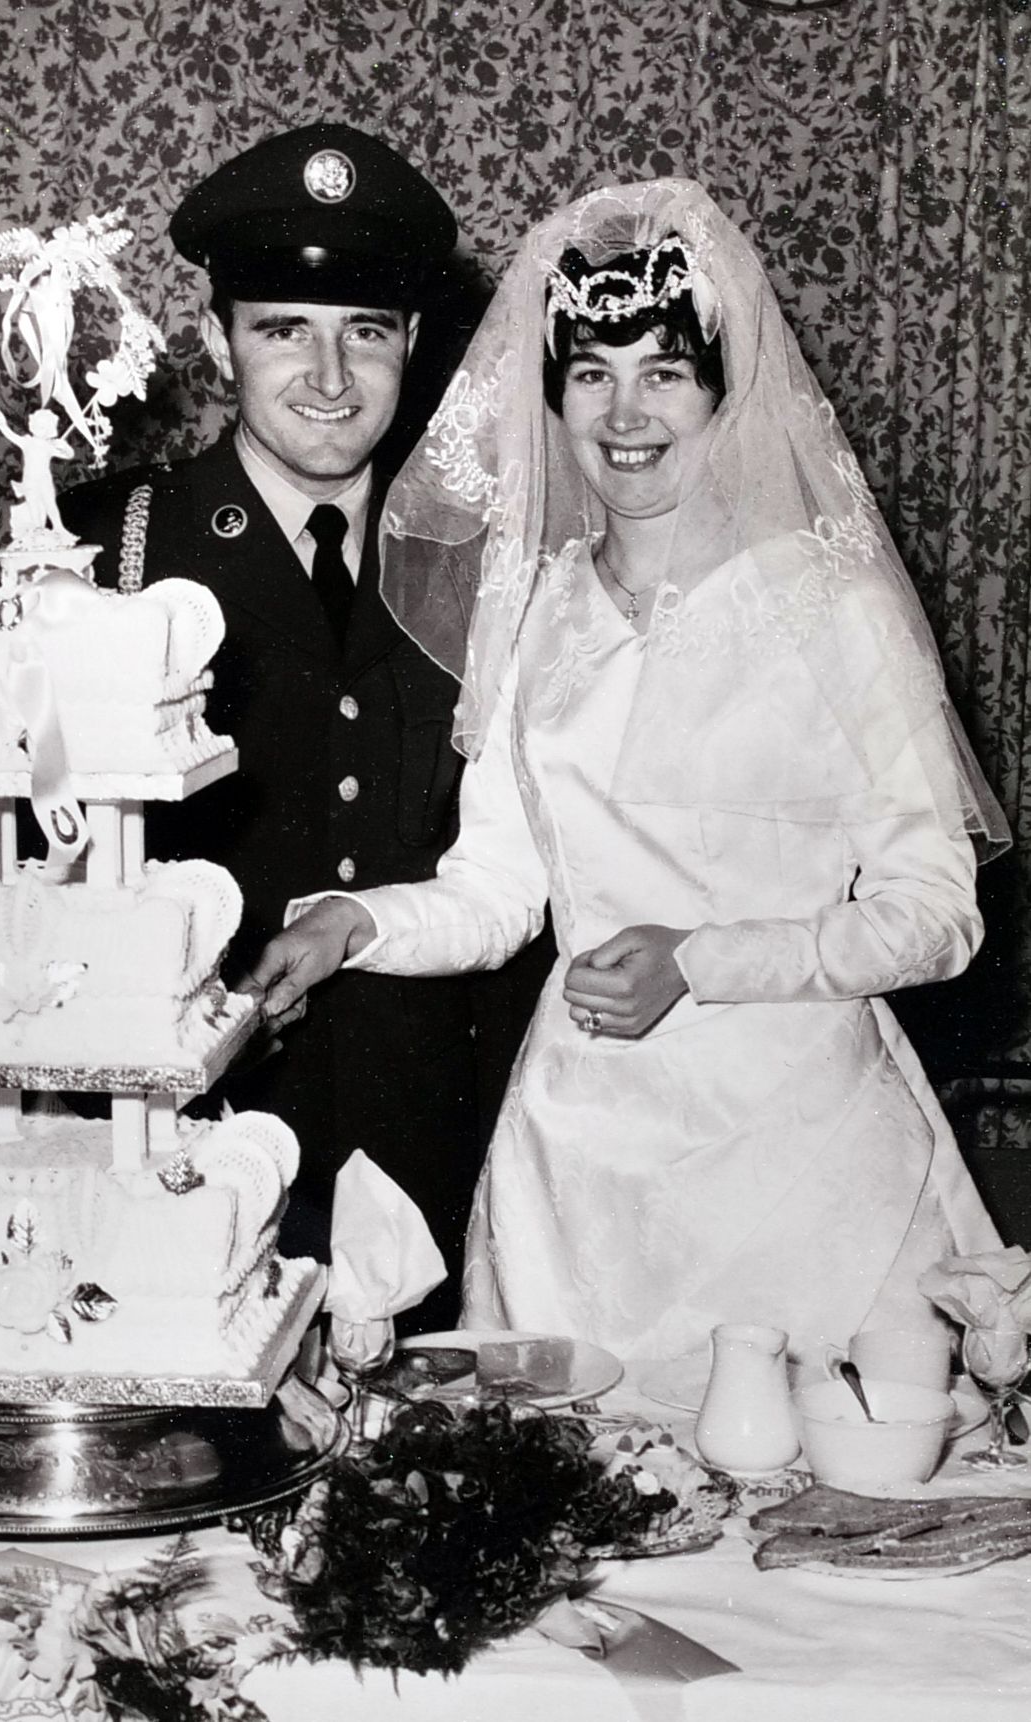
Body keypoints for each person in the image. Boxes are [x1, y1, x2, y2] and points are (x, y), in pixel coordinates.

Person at [248, 178, 1012, 1384]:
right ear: (551, 398)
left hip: (805, 1163)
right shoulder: (535, 613)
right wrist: (354, 923)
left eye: (665, 371)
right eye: (592, 374)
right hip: (582, 1172)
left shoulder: (835, 613)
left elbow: (937, 914)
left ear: (724, 392)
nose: (626, 412)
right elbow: (500, 892)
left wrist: (699, 961)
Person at [59, 125, 544, 1332]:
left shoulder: (491, 556)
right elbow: (34, 873)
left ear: (412, 340)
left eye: (364, 333)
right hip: (187, 1142)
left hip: (440, 1140)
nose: (330, 378)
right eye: (286, 330)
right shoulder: (105, 549)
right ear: (218, 336)